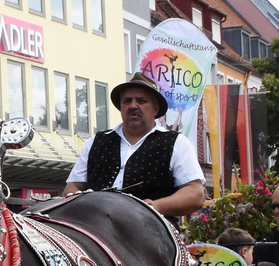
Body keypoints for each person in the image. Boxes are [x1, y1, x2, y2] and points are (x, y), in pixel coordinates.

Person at [63, 73, 206, 218]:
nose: (133, 106)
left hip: (149, 225)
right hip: (95, 223)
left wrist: (155, 206)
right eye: (127, 101)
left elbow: (195, 194)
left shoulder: (176, 142)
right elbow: (72, 187)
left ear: (156, 108)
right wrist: (85, 205)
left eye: (141, 101)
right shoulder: (96, 141)